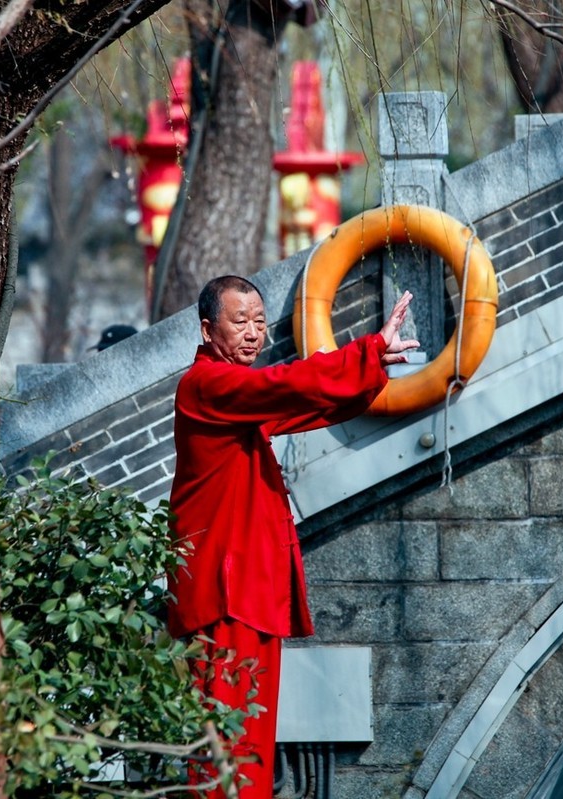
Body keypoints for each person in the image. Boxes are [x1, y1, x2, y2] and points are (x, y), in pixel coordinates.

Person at [167, 275, 418, 798]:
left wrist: (372, 370)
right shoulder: (205, 385)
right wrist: (365, 352)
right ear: (208, 329)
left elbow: (309, 405)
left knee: (248, 743)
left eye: (260, 322)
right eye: (241, 322)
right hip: (224, 591)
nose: (254, 333)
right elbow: (281, 386)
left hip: (247, 588)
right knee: (227, 747)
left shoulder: (236, 398)